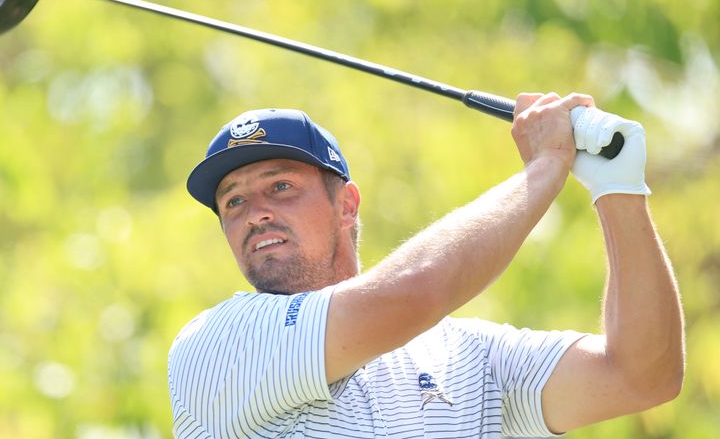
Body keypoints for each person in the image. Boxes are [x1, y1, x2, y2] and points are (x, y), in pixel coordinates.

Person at [168, 93, 684, 438]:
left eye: (280, 186)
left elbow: (642, 375)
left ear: (346, 205)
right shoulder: (216, 345)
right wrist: (548, 163)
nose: (255, 213)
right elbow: (415, 293)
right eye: (232, 202)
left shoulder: (466, 354)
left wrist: (618, 190)